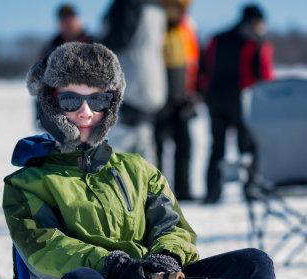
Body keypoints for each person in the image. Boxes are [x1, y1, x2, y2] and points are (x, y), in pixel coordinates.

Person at [3, 42, 293, 279]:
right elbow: (45, 249)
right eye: (70, 100)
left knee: (253, 267)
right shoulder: (25, 184)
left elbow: (174, 229)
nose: (84, 111)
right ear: (50, 100)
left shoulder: (138, 170)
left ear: (111, 104)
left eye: (98, 100)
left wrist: (165, 263)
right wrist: (115, 267)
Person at [199, 4, 274, 204]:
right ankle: (251, 190)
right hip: (242, 101)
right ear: (257, 21)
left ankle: (212, 193)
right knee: (248, 147)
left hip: (215, 99)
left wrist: (204, 92)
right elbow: (264, 75)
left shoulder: (217, 38)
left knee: (217, 147)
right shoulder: (256, 41)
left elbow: (204, 67)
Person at [99, 0, 167, 165]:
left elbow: (119, 39)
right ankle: (146, 184)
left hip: (130, 82)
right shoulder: (158, 7)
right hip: (153, 82)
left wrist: (97, 46)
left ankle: (122, 185)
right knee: (144, 140)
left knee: (121, 144)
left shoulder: (127, 5)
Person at [154, 0, 200, 200]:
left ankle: (184, 191)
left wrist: (192, 93)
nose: (180, 13)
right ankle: (156, 192)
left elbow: (192, 63)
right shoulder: (157, 28)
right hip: (159, 99)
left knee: (185, 146)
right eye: (177, 9)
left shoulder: (187, 30)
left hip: (181, 99)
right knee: (157, 148)